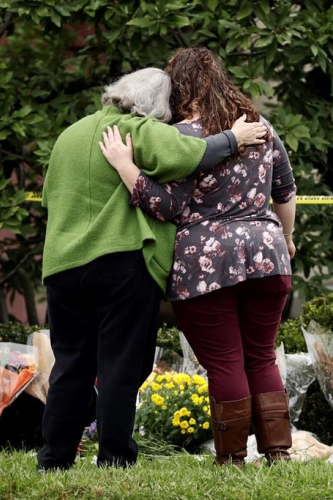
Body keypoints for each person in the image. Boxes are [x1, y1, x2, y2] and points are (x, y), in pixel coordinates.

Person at [37, 67, 268, 472]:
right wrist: (237, 137)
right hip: (120, 263)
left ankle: (54, 459)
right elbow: (193, 152)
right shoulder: (140, 130)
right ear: (157, 107)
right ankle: (113, 459)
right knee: (120, 366)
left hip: (63, 266)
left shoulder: (68, 136)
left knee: (70, 364)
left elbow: (48, 199)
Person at [100, 48, 297, 465]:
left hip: (206, 265)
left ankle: (231, 458)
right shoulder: (261, 127)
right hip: (267, 253)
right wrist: (288, 238)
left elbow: (164, 204)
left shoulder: (184, 137)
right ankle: (277, 451)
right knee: (261, 354)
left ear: (180, 90)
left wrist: (125, 167)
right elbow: (286, 190)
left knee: (225, 360)